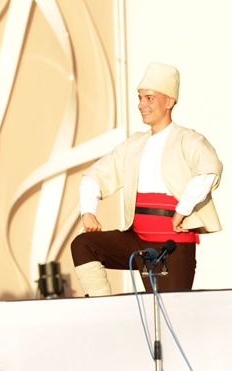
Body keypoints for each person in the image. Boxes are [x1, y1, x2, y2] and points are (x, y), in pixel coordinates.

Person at [71, 62, 223, 296]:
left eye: (149, 98)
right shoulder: (134, 144)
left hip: (172, 245)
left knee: (170, 312)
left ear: (169, 102)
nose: (141, 104)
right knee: (83, 244)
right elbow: (93, 177)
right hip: (137, 240)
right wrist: (88, 211)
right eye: (140, 98)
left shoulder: (188, 139)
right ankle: (102, 307)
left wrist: (183, 209)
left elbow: (209, 170)